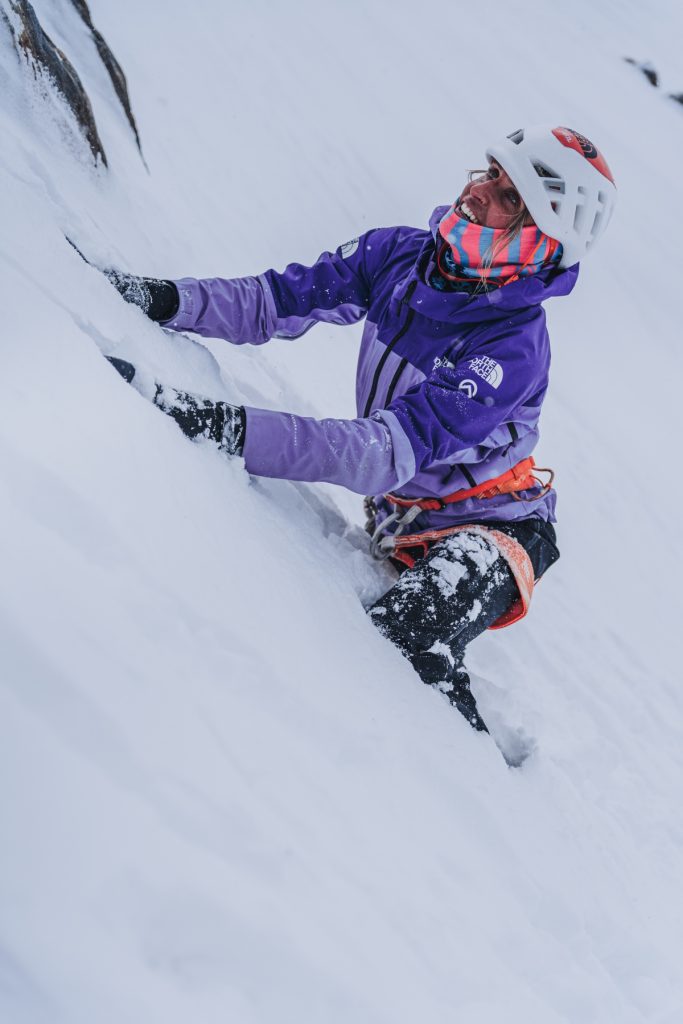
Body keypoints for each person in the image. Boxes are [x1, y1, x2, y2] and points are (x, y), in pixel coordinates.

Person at [104, 125, 616, 733]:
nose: (478, 192)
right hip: (405, 516)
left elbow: (382, 451)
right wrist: (163, 301)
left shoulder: (511, 347)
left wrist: (230, 429)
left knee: (401, 639)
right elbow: (275, 300)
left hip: (496, 533)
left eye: (510, 199)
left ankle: (482, 782)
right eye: (491, 174)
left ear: (542, 242)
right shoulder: (401, 255)